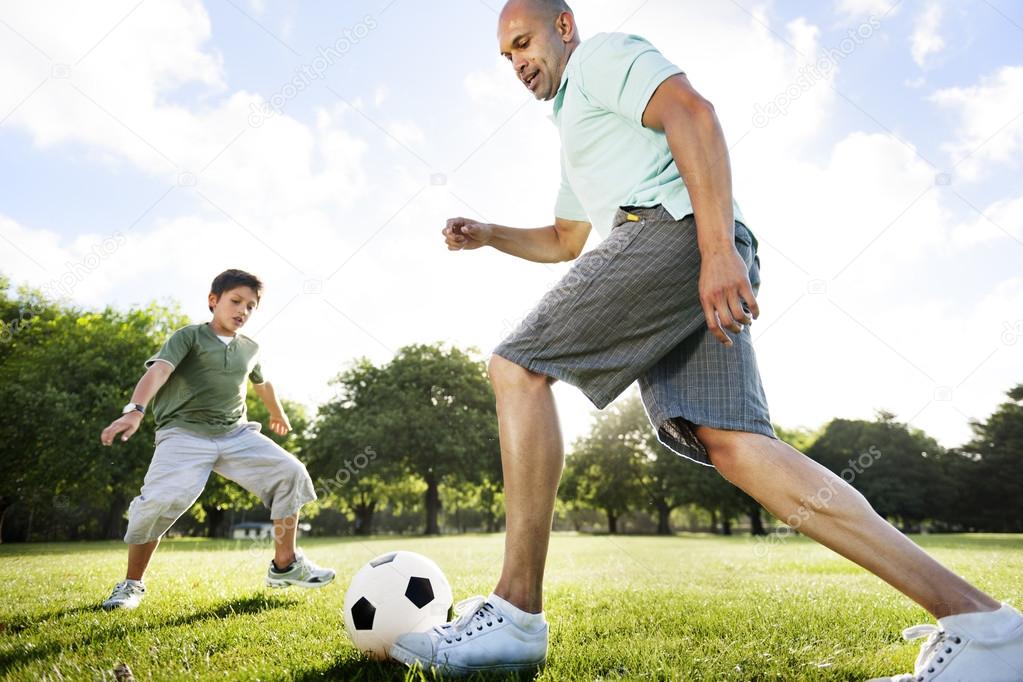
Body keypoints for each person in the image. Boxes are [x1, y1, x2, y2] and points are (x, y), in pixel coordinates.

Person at [388, 1, 1023, 679]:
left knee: (516, 367)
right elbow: (564, 240)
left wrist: (714, 248)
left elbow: (694, 114)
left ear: (563, 27)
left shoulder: (601, 58)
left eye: (523, 43)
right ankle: (983, 625)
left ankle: (515, 615)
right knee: (735, 446)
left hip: (675, 230)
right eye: (505, 56)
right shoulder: (573, 126)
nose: (516, 63)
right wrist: (488, 234)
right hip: (674, 242)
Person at [99, 269, 334, 611]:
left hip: (235, 433)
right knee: (160, 501)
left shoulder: (250, 348)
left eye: (251, 306)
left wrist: (276, 413)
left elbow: (262, 383)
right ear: (214, 301)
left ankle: (285, 566)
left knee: (291, 472)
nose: (243, 311)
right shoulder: (189, 337)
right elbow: (159, 370)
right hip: (183, 433)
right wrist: (135, 409)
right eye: (236, 301)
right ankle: (131, 584)